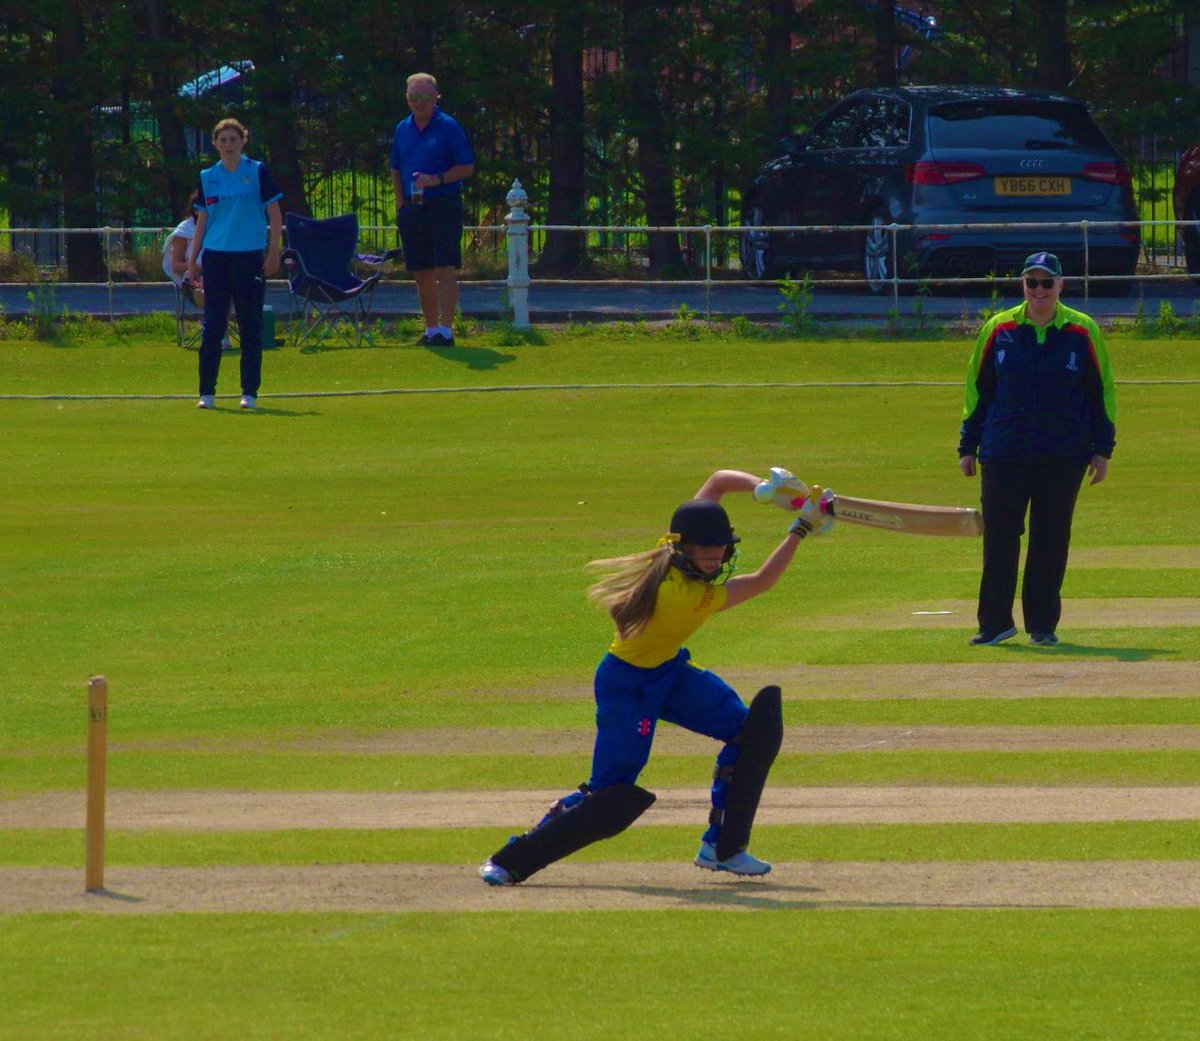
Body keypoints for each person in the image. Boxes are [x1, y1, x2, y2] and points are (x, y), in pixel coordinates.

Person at [478, 467, 836, 886]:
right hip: (627, 686)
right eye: (707, 552)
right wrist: (800, 526)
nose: (715, 558)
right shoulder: (684, 598)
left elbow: (718, 482)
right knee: (609, 796)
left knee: (750, 731)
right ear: (684, 549)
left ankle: (723, 848)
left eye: (720, 550)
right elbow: (761, 582)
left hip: (669, 671)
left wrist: (765, 489)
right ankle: (511, 859)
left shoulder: (669, 552)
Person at [958, 251, 1116, 647]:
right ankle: (995, 623)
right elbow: (978, 389)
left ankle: (1042, 625)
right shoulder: (1000, 328)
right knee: (1000, 537)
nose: (1040, 290)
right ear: (1023, 285)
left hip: (1063, 455)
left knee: (1050, 539)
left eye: (1047, 283)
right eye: (1033, 282)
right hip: (1003, 451)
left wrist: (1103, 449)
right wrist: (967, 444)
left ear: (1061, 285)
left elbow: (1102, 392)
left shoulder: (1082, 331)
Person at [187, 118, 282, 410]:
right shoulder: (208, 176)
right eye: (223, 140)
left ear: (243, 141)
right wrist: (193, 258)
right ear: (215, 144)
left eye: (233, 139)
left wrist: (273, 252)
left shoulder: (257, 172)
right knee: (214, 325)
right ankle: (207, 392)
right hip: (216, 257)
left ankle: (249, 392)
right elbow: (203, 219)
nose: (228, 145)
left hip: (249, 256)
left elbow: (275, 214)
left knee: (249, 325)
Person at [389, 72, 474, 347]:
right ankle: (430, 329)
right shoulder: (402, 128)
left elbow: (466, 167)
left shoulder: (449, 127)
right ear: (407, 99)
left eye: (425, 97)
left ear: (436, 97)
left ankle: (446, 331)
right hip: (413, 209)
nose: (419, 103)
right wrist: (401, 203)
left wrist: (436, 179)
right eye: (414, 97)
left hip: (443, 204)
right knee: (421, 271)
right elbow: (395, 168)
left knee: (444, 267)